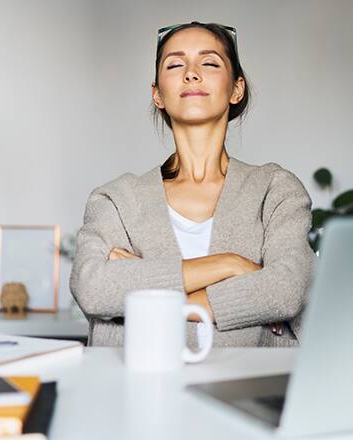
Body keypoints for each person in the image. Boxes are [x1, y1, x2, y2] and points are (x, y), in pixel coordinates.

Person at [69, 21, 316, 348]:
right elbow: (94, 289)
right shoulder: (114, 200)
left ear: (236, 89)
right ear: (158, 94)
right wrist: (232, 265)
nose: (191, 73)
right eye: (175, 64)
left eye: (210, 62)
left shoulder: (276, 190)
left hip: (248, 391)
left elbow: (285, 291)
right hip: (134, 391)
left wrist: (146, 287)